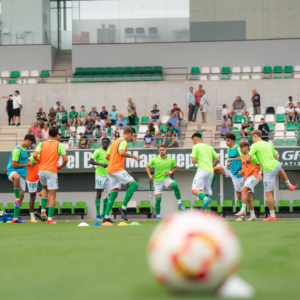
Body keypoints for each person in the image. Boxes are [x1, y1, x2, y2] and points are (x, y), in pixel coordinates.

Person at [246, 130, 296, 221]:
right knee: (279, 168)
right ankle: (289, 185)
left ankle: (272, 216)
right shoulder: (268, 144)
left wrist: (247, 162)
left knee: (268, 194)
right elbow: (277, 157)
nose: (252, 139)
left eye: (252, 137)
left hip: (268, 170)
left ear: (255, 136)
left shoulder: (254, 145)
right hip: (276, 165)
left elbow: (248, 158)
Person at [103, 127, 140, 223]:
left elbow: (107, 156)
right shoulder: (123, 141)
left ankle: (106, 217)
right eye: (132, 137)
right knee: (134, 184)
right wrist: (134, 157)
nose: (131, 139)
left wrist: (112, 163)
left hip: (110, 170)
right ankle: (123, 208)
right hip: (117, 169)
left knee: (113, 194)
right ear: (129, 134)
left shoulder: (114, 142)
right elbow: (121, 152)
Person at [33, 127, 68, 224]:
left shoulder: (42, 143)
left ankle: (43, 211)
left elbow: (34, 155)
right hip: (51, 171)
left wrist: (39, 162)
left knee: (45, 189)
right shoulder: (59, 145)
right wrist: (61, 166)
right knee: (52, 196)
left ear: (48, 133)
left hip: (41, 171)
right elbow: (66, 159)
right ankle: (49, 219)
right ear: (57, 135)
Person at [146, 145, 185, 221]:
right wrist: (150, 175)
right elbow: (147, 166)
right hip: (157, 182)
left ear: (165, 150)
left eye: (163, 150)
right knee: (158, 199)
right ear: (158, 151)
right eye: (160, 150)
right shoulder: (155, 159)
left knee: (175, 185)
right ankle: (158, 216)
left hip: (166, 179)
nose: (161, 151)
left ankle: (179, 203)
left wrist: (170, 172)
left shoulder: (171, 160)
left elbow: (176, 167)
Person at [213, 133, 244, 221]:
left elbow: (243, 158)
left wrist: (232, 159)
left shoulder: (237, 148)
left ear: (233, 141)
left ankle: (241, 216)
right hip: (230, 169)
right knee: (214, 169)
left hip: (237, 173)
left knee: (239, 194)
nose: (226, 142)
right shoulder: (228, 149)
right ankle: (209, 188)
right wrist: (228, 163)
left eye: (228, 140)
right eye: (226, 140)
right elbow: (231, 160)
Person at [7, 134, 36, 223]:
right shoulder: (17, 150)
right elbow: (14, 164)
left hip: (23, 175)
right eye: (31, 143)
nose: (31, 146)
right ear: (27, 140)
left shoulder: (25, 149)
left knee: (22, 197)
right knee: (17, 178)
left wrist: (30, 163)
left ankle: (15, 218)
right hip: (13, 172)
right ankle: (16, 198)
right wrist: (25, 165)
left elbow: (24, 162)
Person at [230, 141, 262, 221]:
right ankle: (253, 216)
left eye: (242, 148)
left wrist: (260, 173)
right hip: (247, 178)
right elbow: (240, 159)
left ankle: (243, 209)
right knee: (248, 198)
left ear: (247, 147)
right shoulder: (242, 157)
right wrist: (242, 171)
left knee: (243, 190)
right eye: (240, 148)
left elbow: (260, 164)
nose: (240, 149)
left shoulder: (252, 156)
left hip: (254, 177)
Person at [191, 133, 220, 212]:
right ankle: (208, 216)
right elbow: (218, 159)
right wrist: (213, 165)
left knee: (194, 190)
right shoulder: (209, 147)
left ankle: (205, 199)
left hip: (202, 170)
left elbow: (193, 161)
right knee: (206, 193)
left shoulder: (195, 146)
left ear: (194, 140)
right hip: (210, 172)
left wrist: (199, 160)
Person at [89, 138, 110, 221]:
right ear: (101, 143)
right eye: (104, 142)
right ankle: (98, 214)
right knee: (99, 193)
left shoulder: (109, 152)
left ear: (108, 144)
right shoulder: (98, 151)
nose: (105, 144)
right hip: (99, 175)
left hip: (108, 175)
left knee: (108, 195)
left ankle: (104, 214)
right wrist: (100, 164)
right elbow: (90, 161)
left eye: (106, 143)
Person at [25, 154, 41, 223]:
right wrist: (34, 163)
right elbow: (27, 162)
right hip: (31, 179)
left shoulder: (42, 155)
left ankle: (42, 212)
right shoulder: (34, 157)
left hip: (37, 177)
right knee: (33, 197)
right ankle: (32, 218)